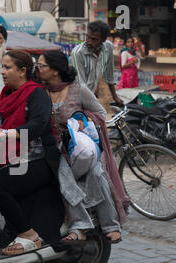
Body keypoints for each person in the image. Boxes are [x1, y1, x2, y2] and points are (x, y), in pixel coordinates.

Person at [36, 50, 128, 243]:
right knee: (63, 176)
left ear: (55, 70)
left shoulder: (78, 89)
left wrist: (85, 121)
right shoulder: (39, 91)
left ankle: (111, 225)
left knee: (97, 174)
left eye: (42, 65)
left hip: (80, 147)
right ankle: (80, 225)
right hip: (54, 149)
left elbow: (101, 114)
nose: (38, 68)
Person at [0, 50, 65, 255]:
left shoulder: (36, 94)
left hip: (38, 159)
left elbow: (36, 126)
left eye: (7, 67)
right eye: (2, 67)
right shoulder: (6, 95)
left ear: (23, 71)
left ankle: (29, 234)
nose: (2, 72)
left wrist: (4, 134)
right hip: (12, 156)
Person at [70, 21, 124, 115]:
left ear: (103, 40)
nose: (89, 41)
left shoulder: (108, 47)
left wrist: (115, 97)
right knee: (102, 115)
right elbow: (81, 85)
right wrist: (93, 104)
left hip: (90, 94)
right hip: (77, 98)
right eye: (88, 37)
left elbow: (109, 75)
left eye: (94, 39)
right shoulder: (77, 53)